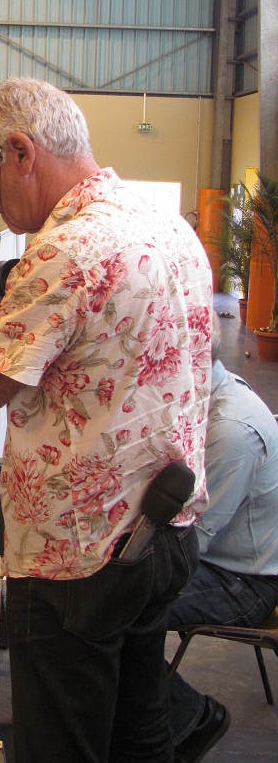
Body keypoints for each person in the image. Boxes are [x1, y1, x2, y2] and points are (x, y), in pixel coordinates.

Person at [0, 77, 213, 763]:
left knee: (64, 743)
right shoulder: (168, 227)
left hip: (77, 558)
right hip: (162, 529)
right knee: (138, 733)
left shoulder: (68, 250)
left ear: (21, 151)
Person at [167, 317, 278, 763]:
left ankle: (191, 718)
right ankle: (138, 713)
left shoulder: (232, 429)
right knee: (106, 595)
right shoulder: (209, 394)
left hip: (248, 583)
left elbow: (192, 542)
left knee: (116, 607)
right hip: (222, 559)